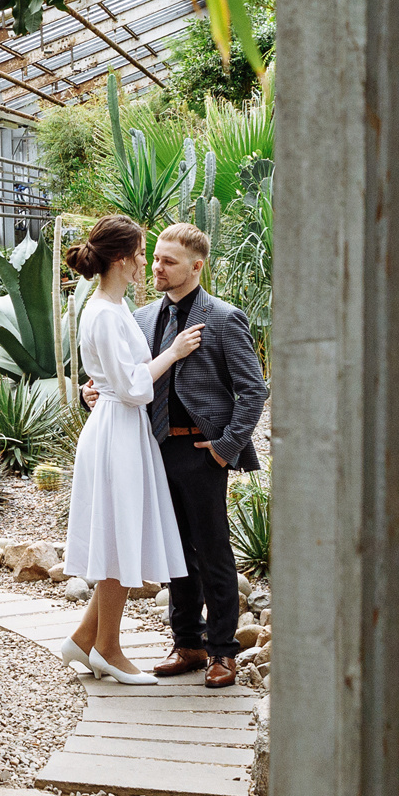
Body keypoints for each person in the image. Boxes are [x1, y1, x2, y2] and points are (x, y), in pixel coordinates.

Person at [112, 221, 268, 686]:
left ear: (196, 267)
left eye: (168, 261)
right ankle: (189, 644)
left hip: (202, 453)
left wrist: (223, 449)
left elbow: (253, 392)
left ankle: (224, 651)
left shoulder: (223, 317)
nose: (156, 267)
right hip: (155, 448)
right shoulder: (141, 318)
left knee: (213, 551)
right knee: (174, 551)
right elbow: (131, 380)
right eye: (155, 258)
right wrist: (91, 395)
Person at [60, 214, 202, 684]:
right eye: (142, 253)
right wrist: (175, 352)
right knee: (120, 539)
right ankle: (108, 650)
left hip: (125, 427)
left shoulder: (116, 307)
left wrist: (99, 385)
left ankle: (84, 641)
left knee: (124, 533)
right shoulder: (102, 312)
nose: (147, 262)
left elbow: (116, 376)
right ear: (123, 260)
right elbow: (135, 385)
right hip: (117, 428)